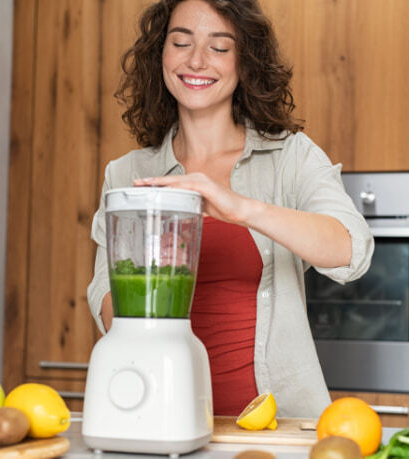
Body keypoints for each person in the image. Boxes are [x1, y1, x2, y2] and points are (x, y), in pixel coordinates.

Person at [87, 0, 374, 419]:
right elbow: (104, 295)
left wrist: (240, 208)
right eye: (181, 42)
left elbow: (352, 250)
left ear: (245, 62)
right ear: (160, 56)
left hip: (278, 425)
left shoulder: (290, 158)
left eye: (220, 48)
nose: (197, 61)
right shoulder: (129, 173)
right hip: (161, 416)